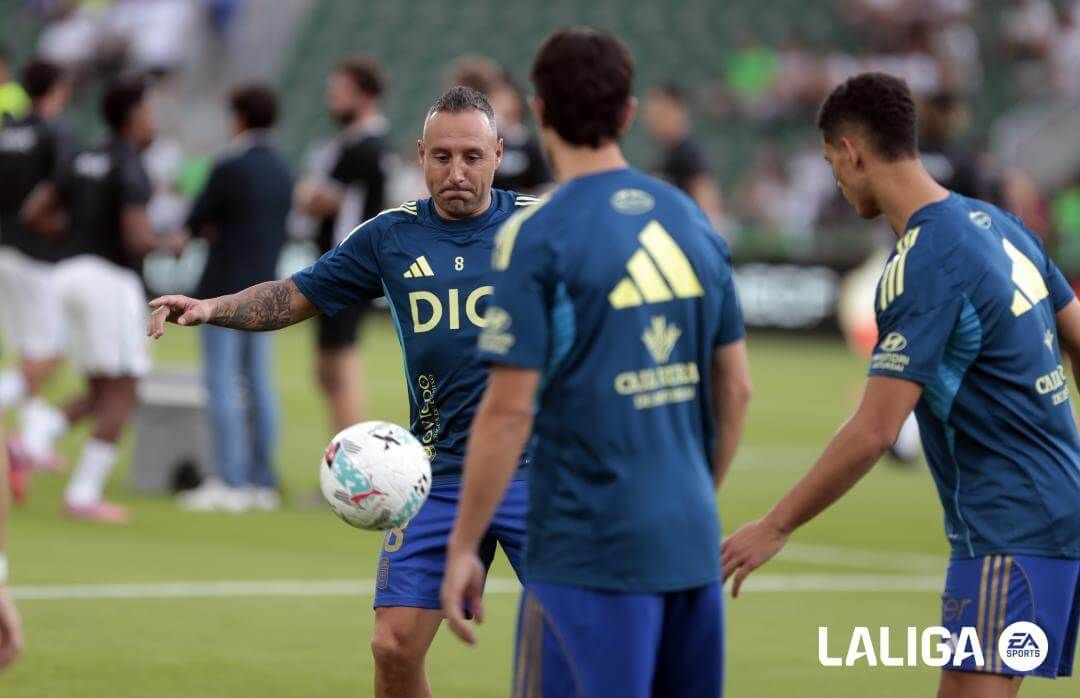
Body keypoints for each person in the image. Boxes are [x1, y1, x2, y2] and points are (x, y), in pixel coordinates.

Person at [147, 85, 536, 698]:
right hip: (438, 475)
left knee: (572, 642)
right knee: (392, 648)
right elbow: (296, 295)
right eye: (441, 157)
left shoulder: (542, 228)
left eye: (471, 156)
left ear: (498, 152)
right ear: (419, 155)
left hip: (537, 471)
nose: (456, 171)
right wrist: (212, 307)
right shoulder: (390, 236)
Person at [722, 73, 1080, 698]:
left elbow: (875, 430)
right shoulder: (997, 222)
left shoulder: (923, 262)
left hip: (1007, 528)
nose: (836, 178)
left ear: (853, 151)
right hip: (1057, 505)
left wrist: (775, 525)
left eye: (833, 161)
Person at [441, 29, 751, 698]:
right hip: (690, 543)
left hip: (587, 552)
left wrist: (464, 545)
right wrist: (691, 502)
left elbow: (507, 410)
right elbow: (737, 389)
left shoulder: (539, 233)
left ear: (539, 110)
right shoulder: (693, 220)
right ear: (629, 114)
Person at [23, 76, 184, 523]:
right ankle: (82, 493)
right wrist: (167, 244)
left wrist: (75, 238)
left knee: (98, 390)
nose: (154, 119)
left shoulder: (83, 156)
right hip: (109, 281)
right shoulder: (130, 164)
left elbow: (35, 212)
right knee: (125, 389)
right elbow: (134, 237)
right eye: (150, 110)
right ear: (133, 115)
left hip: (67, 273)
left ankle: (31, 442)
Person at [175, 85, 292, 513]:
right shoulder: (283, 169)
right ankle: (262, 479)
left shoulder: (230, 166)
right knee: (259, 384)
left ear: (239, 117)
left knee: (222, 384)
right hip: (268, 292)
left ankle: (230, 479)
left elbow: (194, 219)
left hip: (223, 290)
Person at [294, 56, 390, 434]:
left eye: (341, 91)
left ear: (364, 95)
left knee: (340, 369)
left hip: (347, 269)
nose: (332, 98)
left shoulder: (362, 148)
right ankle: (349, 467)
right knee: (328, 371)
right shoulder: (359, 144)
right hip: (342, 267)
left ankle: (356, 471)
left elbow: (319, 199)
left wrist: (306, 191)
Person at [0, 59, 73, 500]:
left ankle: (30, 439)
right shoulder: (53, 133)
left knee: (28, 350)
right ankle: (24, 443)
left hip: (3, 249)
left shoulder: (8, 130)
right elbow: (63, 185)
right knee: (49, 355)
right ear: (59, 88)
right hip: (38, 256)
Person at [642, 82, 724, 226]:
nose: (652, 119)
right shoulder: (664, 156)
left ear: (677, 109)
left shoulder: (689, 153)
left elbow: (709, 211)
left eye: (660, 113)